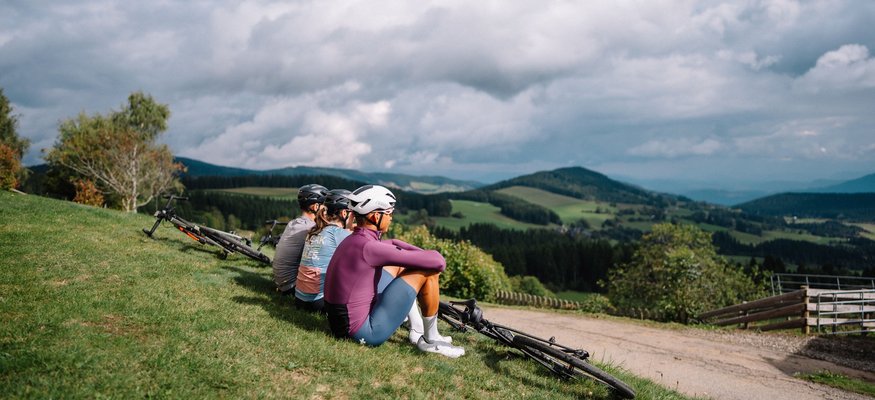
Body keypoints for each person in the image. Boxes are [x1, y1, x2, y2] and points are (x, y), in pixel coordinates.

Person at [323, 185, 464, 358]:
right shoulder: (370, 247)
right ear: (376, 216)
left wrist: (409, 251)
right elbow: (439, 263)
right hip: (363, 332)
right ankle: (430, 340)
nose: (391, 218)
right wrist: (425, 255)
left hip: (340, 323)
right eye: (389, 213)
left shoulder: (356, 239)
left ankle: (417, 329)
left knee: (396, 266)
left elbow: (392, 243)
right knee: (428, 271)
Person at [294, 189, 354, 312]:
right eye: (353, 213)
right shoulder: (339, 233)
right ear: (344, 213)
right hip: (318, 303)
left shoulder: (315, 230)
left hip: (299, 299)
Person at [272, 184, 328, 296]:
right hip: (292, 287)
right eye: (325, 207)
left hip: (282, 283)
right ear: (315, 207)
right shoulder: (310, 228)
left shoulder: (294, 223)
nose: (327, 211)